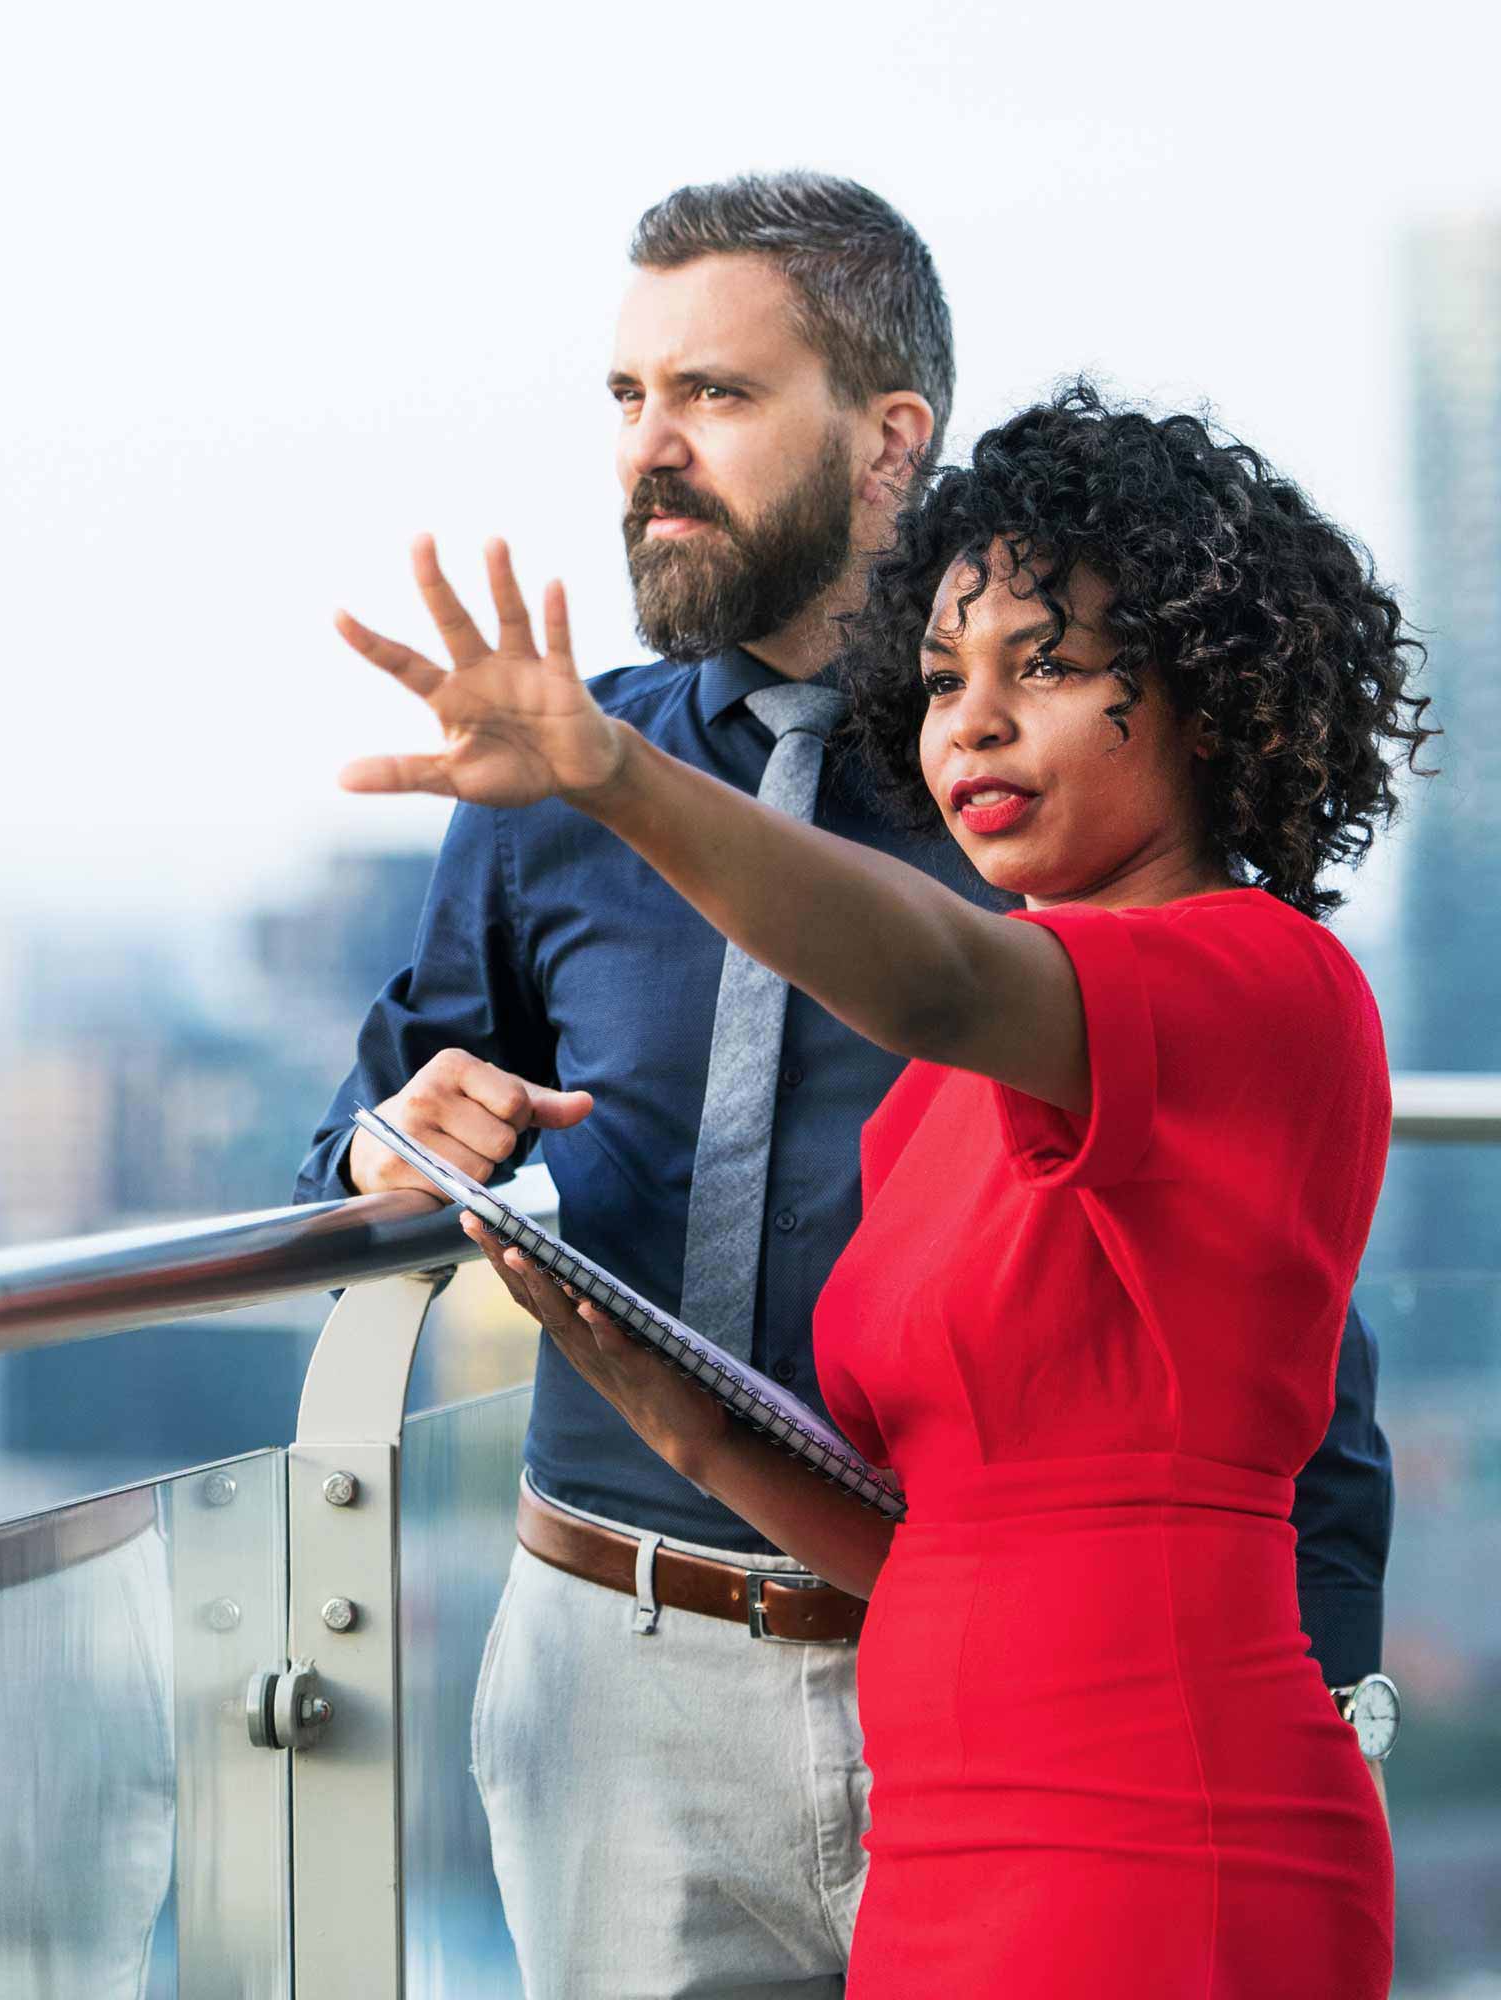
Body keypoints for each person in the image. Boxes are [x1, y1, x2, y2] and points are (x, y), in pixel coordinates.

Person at [294, 173, 1397, 1998]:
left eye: (713, 396)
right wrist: (436, 1177)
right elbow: (385, 1107)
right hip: (680, 1679)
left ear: (891, 440)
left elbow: (1246, 1319)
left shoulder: (1100, 913)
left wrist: (1337, 1658)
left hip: (1104, 1786)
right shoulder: (591, 798)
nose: (654, 449)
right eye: (627, 399)